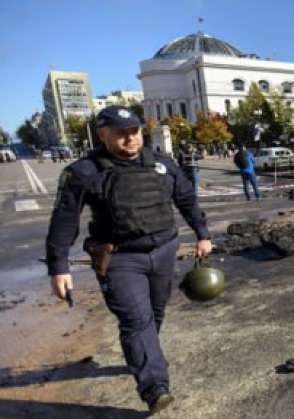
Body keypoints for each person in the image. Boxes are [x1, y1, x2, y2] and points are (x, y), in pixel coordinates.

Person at [45, 105, 212, 414]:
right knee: (136, 320)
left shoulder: (161, 163)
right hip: (119, 259)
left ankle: (144, 356)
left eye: (134, 131)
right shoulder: (83, 172)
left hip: (164, 251)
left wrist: (202, 233)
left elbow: (186, 199)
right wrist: (59, 266)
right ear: (102, 135)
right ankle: (155, 387)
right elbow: (64, 219)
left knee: (155, 314)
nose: (130, 139)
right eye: (121, 134)